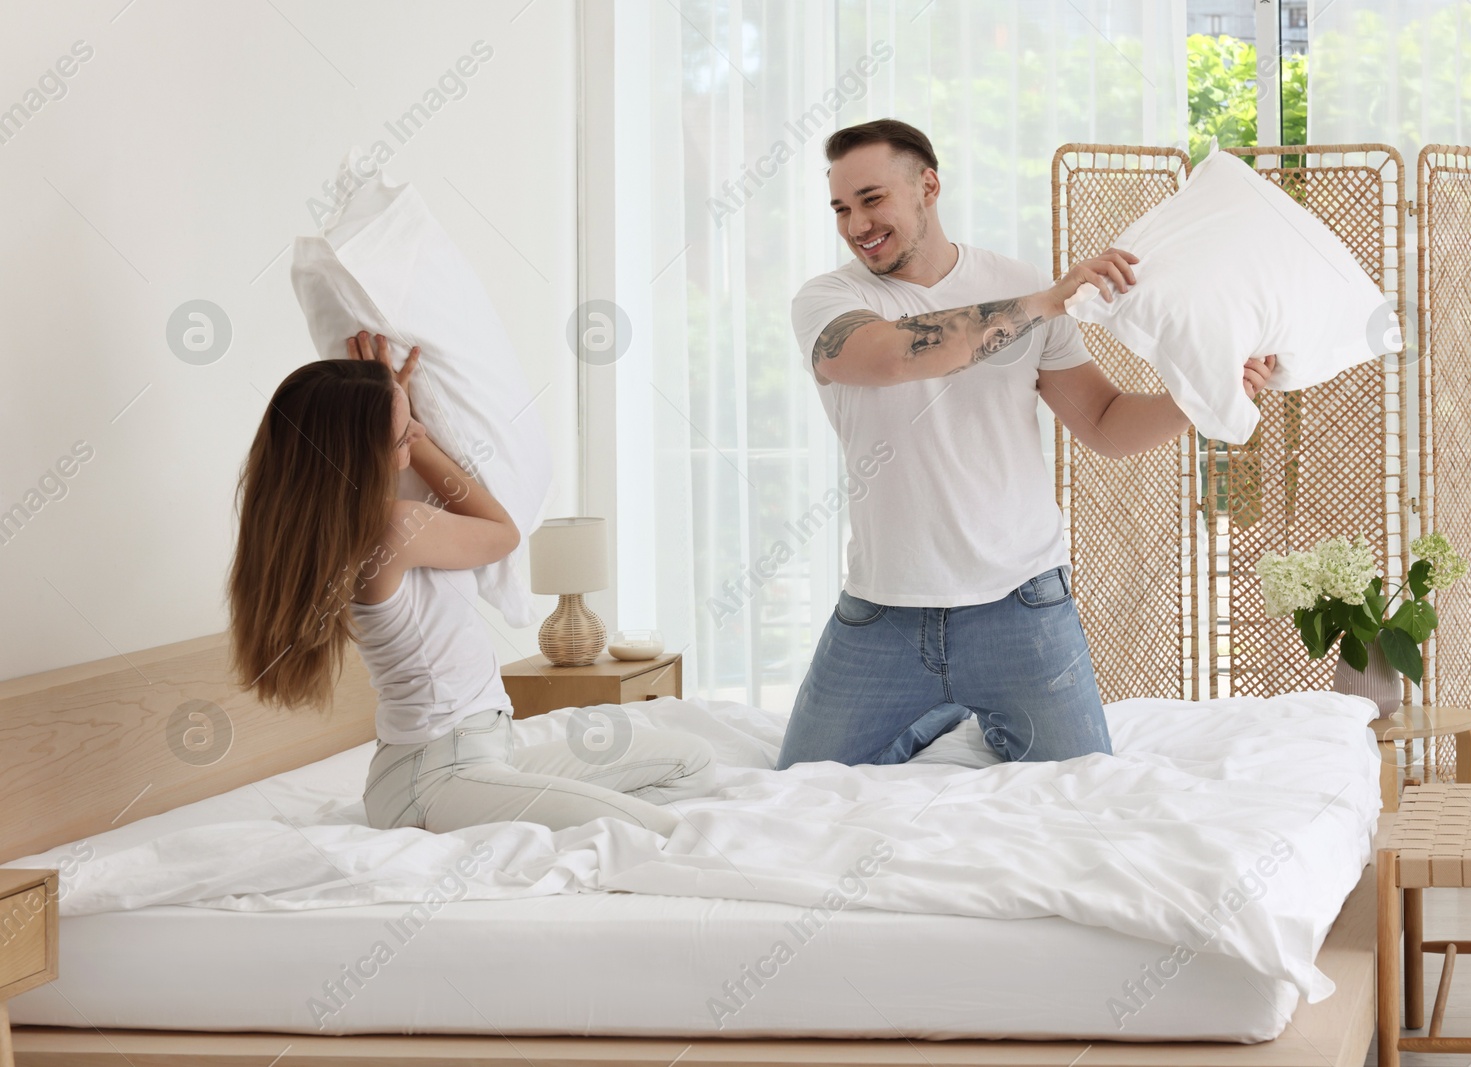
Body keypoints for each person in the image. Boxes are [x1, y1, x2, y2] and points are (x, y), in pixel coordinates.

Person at [780, 118, 1275, 769]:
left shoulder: (1016, 284)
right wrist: (1043, 301)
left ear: (927, 185)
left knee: (1085, 789)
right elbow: (895, 354)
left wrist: (1204, 394)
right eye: (843, 207)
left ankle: (970, 701)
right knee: (800, 787)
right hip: (883, 614)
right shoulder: (831, 297)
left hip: (1021, 606)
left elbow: (1104, 422)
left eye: (872, 199)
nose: (856, 224)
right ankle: (946, 704)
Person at [228, 331, 716, 835]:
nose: (416, 435)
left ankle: (539, 820)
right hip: (435, 777)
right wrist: (408, 428)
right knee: (656, 831)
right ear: (362, 452)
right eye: (404, 435)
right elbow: (502, 533)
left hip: (481, 757)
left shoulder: (364, 528)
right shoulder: (394, 530)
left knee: (694, 761)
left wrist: (388, 405)